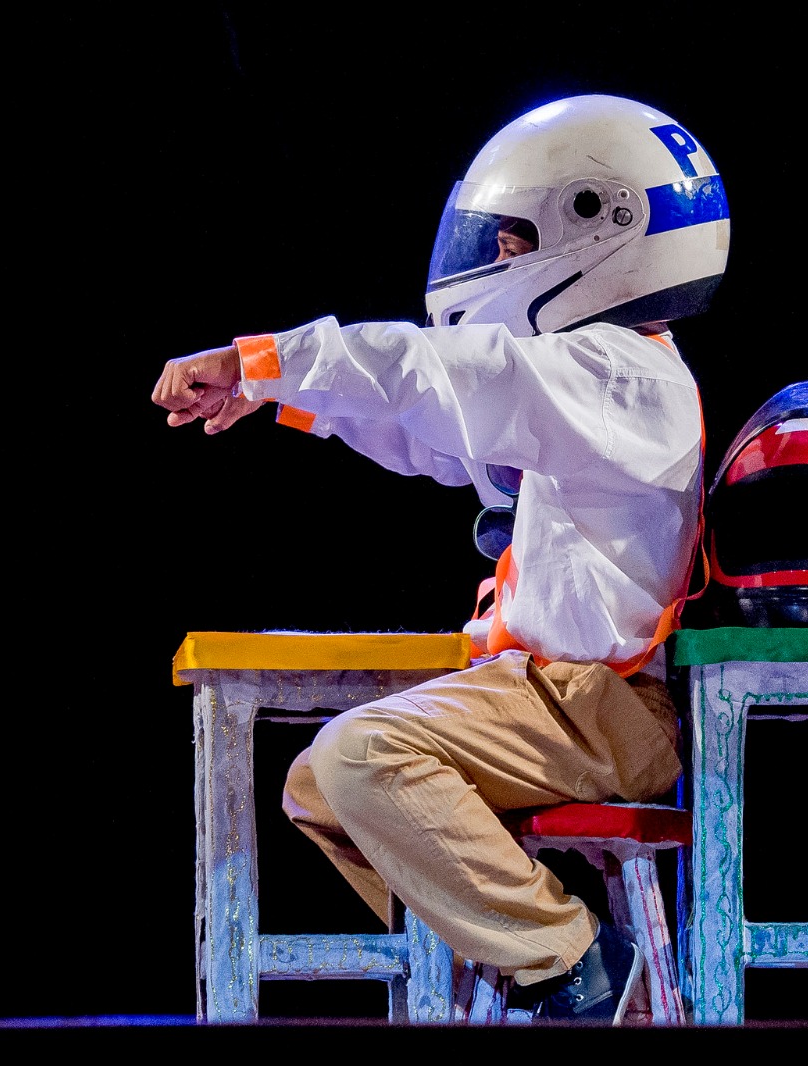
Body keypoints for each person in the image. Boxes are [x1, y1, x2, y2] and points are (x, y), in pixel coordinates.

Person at [151, 93, 730, 1024]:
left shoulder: (622, 375)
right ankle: (504, 967)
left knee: (363, 756)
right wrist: (283, 397)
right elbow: (436, 428)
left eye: (515, 241)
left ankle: (575, 963)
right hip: (550, 697)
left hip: (604, 706)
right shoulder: (583, 383)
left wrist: (265, 360)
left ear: (607, 229)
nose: (498, 259)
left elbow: (447, 373)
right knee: (321, 788)